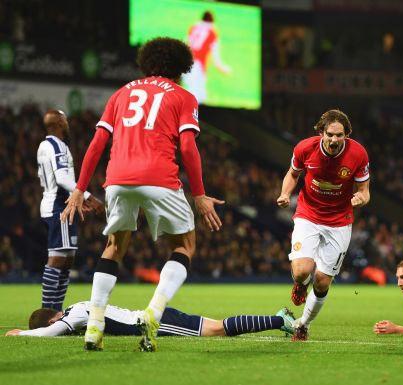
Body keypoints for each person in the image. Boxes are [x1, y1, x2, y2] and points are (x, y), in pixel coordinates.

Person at [60, 37, 224, 352]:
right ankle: (155, 312)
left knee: (114, 247)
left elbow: (97, 144)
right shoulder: (183, 96)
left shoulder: (121, 93)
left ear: (147, 63)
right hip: (159, 176)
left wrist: (80, 189)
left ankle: (94, 324)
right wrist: (200, 195)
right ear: (181, 68)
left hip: (118, 178)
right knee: (185, 245)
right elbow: (188, 147)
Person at [277, 109, 370, 341]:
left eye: (340, 135)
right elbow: (292, 174)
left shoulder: (358, 154)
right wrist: (285, 193)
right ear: (321, 132)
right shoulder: (304, 148)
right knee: (301, 272)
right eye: (330, 134)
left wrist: (361, 198)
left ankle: (303, 325)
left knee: (322, 281)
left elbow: (365, 191)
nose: (334, 140)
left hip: (339, 221)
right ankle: (300, 284)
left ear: (347, 135)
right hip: (308, 214)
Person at [37, 110, 103, 311]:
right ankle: (47, 311)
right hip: (59, 208)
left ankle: (55, 309)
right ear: (58, 122)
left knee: (67, 261)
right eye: (64, 118)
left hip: (61, 205)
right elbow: (62, 178)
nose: (67, 122)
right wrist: (88, 196)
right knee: (57, 259)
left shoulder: (45, 145)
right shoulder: (56, 145)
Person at [6, 303, 295, 338]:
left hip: (151, 323)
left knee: (218, 329)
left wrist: (21, 335)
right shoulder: (77, 307)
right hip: (154, 318)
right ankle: (277, 318)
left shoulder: (74, 315)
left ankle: (278, 319)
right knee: (218, 325)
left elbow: (55, 331)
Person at [182, 11, 232, 104]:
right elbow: (216, 58)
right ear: (212, 21)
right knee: (198, 101)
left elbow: (184, 44)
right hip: (197, 68)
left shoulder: (193, 27)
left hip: (185, 65)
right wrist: (224, 69)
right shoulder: (212, 32)